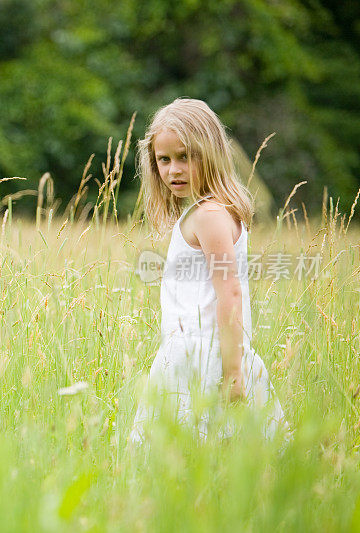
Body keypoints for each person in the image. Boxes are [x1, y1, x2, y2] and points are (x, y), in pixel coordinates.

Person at [130, 98, 286, 441]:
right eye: (164, 160)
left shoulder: (210, 216)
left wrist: (232, 373)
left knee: (200, 452)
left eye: (186, 156)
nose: (174, 170)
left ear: (211, 153)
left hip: (207, 358)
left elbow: (229, 292)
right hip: (190, 353)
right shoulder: (205, 212)